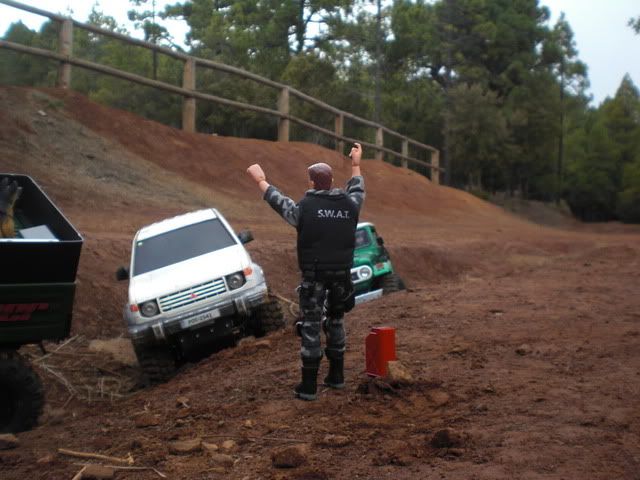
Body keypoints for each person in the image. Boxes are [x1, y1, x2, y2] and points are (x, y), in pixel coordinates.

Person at [246, 143, 365, 400]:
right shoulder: (350, 204)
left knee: (310, 326)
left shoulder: (305, 209)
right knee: (336, 321)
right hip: (342, 278)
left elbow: (280, 203)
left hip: (315, 278)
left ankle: (309, 387)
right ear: (332, 181)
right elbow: (357, 189)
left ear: (311, 183)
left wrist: (261, 181)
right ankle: (337, 377)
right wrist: (355, 164)